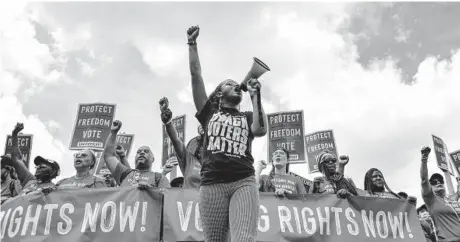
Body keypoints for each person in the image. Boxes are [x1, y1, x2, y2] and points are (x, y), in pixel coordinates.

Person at [187, 25, 267, 242]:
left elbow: (260, 130)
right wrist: (192, 44)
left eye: (236, 84)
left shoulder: (247, 116)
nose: (235, 86)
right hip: (212, 183)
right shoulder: (208, 112)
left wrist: (255, 95)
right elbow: (196, 75)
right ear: (219, 93)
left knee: (243, 239)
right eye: (229, 84)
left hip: (243, 181)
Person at [103, 120, 170, 189]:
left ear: (153, 159)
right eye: (138, 152)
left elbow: (168, 197)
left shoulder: (159, 178)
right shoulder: (124, 174)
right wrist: (113, 132)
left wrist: (150, 190)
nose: (142, 152)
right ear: (135, 158)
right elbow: (109, 156)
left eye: (146, 151)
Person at [159, 97, 201, 189]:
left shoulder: (218, 159)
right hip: (189, 202)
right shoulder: (189, 161)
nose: (201, 145)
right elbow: (175, 140)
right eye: (198, 143)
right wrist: (168, 122)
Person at [420, 146, 460, 241]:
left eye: (440, 180)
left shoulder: (450, 200)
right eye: (434, 182)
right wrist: (424, 159)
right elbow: (424, 180)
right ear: (430, 186)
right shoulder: (431, 199)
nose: (438, 182)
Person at [8, 123, 60, 195]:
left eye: (42, 166)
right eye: (38, 166)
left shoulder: (56, 189)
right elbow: (17, 159)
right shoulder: (29, 179)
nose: (38, 168)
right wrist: (14, 134)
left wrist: (51, 194)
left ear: (53, 172)